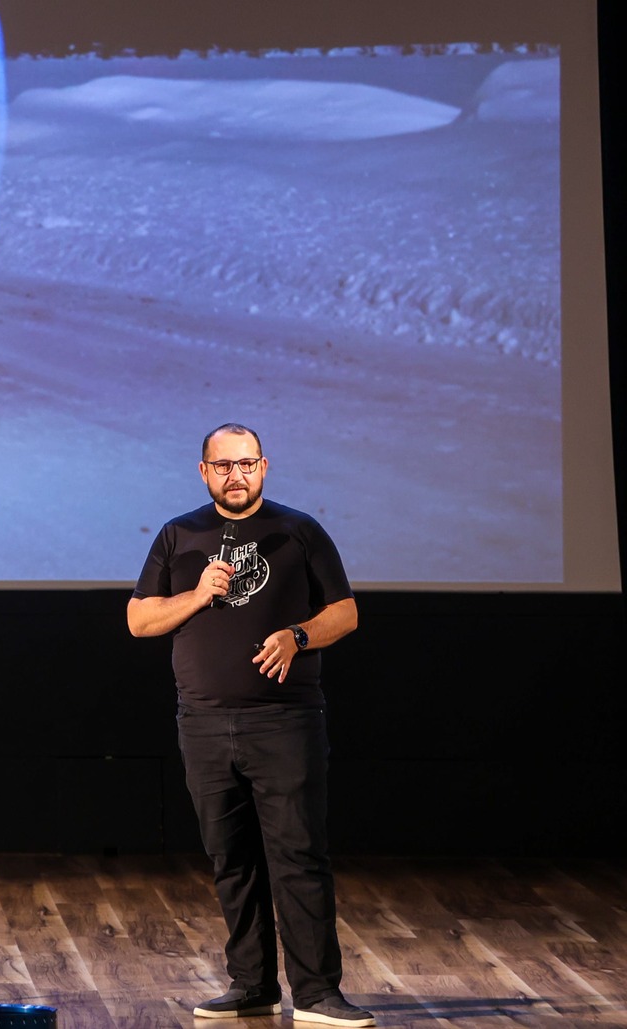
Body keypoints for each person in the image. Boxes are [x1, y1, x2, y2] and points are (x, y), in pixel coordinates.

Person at [129, 424, 372, 1027]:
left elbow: (345, 612)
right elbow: (139, 620)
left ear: (264, 466)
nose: (236, 476)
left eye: (247, 464)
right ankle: (252, 985)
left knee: (298, 854)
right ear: (204, 471)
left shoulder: (299, 531)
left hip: (284, 721)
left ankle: (317, 994)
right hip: (205, 723)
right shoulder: (178, 535)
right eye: (223, 466)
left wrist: (297, 637)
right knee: (230, 858)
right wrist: (195, 594)